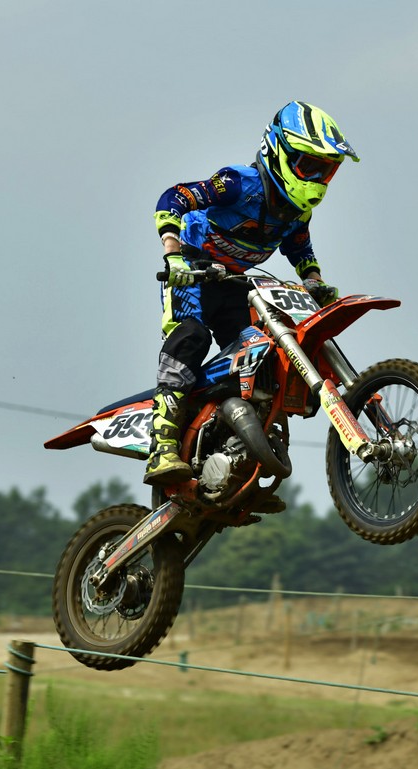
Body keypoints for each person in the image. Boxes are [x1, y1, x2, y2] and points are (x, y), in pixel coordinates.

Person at [146, 101, 360, 486]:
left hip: (234, 284)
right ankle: (161, 446)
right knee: (191, 336)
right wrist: (173, 254)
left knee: (258, 357)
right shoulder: (238, 184)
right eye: (309, 166)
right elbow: (174, 198)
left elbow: (299, 247)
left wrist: (314, 279)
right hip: (193, 273)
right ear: (278, 152)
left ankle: (237, 453)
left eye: (326, 170)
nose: (317, 178)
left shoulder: (296, 212)